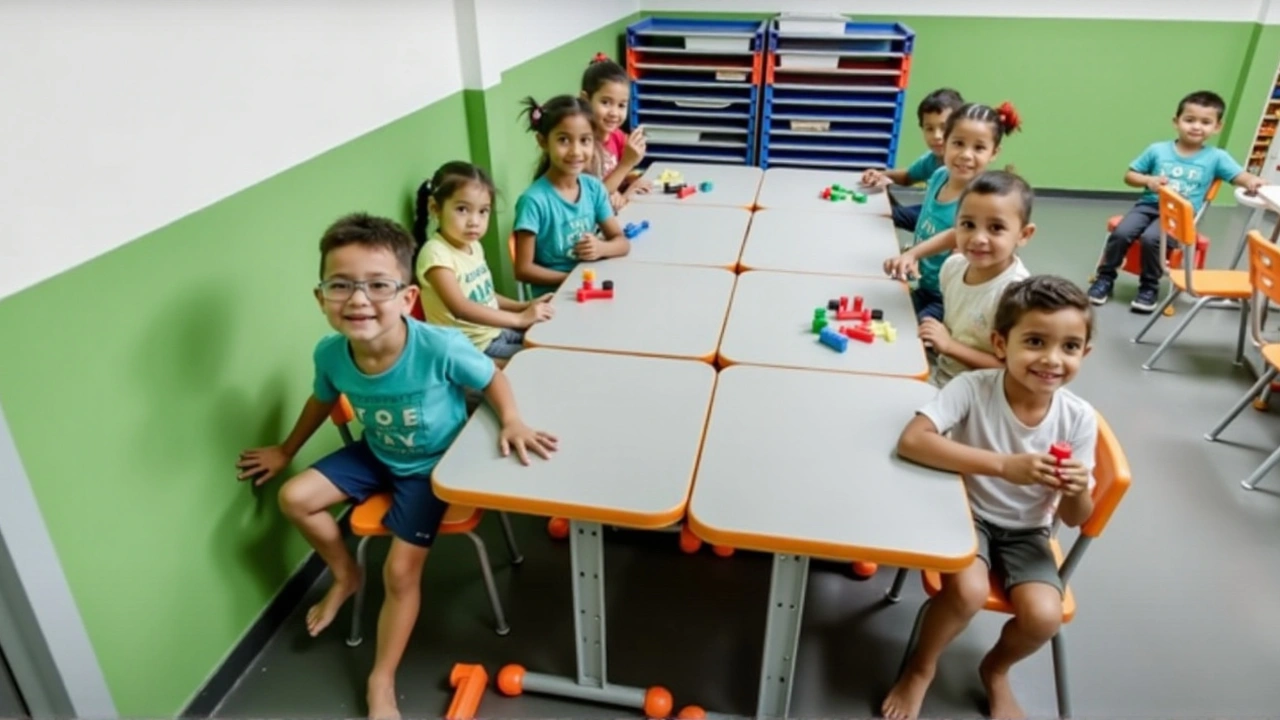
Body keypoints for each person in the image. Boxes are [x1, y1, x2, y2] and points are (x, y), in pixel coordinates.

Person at [235, 213, 557, 720]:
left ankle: (380, 680)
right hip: (377, 452)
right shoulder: (331, 353)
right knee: (294, 497)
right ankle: (344, 574)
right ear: (320, 298)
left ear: (408, 298)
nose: (358, 300)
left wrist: (511, 420)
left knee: (400, 570)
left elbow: (492, 379)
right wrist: (286, 449)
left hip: (431, 467)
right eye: (340, 285)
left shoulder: (438, 347)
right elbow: (322, 400)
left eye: (378, 285)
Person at [881, 274, 1098, 720]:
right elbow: (913, 441)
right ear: (1001, 343)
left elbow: (1077, 518)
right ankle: (921, 668)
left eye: (1070, 347)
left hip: (1028, 531)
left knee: (1043, 617)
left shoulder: (1078, 419)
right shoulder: (973, 388)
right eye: (1035, 341)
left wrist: (1076, 490)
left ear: (1085, 353)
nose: (1052, 360)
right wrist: (1003, 465)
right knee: (968, 593)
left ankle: (996, 671)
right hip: (966, 513)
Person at [1087, 90, 1265, 313]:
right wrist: (1148, 180)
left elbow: (1239, 176)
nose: (1196, 126)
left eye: (1206, 122)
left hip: (1180, 216)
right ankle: (1104, 278)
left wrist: (1253, 181)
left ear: (1217, 127)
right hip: (1149, 205)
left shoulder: (1217, 157)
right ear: (1176, 121)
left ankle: (1149, 287)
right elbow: (1129, 176)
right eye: (1189, 120)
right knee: (1122, 232)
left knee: (1153, 239)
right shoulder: (1157, 150)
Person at [883, 101, 1022, 322]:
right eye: (958, 143)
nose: (966, 155)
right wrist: (912, 255)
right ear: (944, 143)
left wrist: (916, 255)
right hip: (924, 284)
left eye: (978, 148)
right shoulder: (939, 175)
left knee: (910, 333)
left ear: (994, 152)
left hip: (947, 297)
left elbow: (959, 244)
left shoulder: (980, 200)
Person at [412, 161, 553, 366]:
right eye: (462, 209)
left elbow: (485, 295)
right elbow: (461, 307)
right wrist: (520, 319)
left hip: (495, 333)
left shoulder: (473, 245)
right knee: (541, 362)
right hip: (471, 349)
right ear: (435, 208)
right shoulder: (436, 254)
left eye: (483, 211)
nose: (474, 221)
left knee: (550, 339)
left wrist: (523, 306)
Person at [512, 94, 629, 297]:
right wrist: (571, 278)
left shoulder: (593, 188)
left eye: (585, 140)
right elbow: (523, 269)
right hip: (555, 298)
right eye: (564, 140)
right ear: (543, 142)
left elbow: (622, 242)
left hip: (591, 286)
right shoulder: (533, 201)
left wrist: (601, 248)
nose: (576, 151)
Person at [925, 170, 1035, 386]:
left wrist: (949, 346)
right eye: (968, 225)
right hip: (944, 377)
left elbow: (1013, 369)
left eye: (996, 228)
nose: (978, 238)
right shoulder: (952, 267)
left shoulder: (1015, 294)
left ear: (1023, 235)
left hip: (983, 395)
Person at [862, 87, 966, 232]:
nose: (936, 136)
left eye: (944, 128)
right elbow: (907, 176)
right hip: (930, 213)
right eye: (929, 129)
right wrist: (880, 175)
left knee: (883, 212)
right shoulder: (933, 159)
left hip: (948, 224)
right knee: (881, 195)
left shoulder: (963, 168)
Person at [580, 53, 651, 210]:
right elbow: (592, 200)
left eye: (621, 105)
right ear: (585, 99)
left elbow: (615, 176)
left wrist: (630, 180)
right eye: (605, 102)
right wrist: (627, 163)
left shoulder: (617, 136)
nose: (614, 113)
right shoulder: (582, 146)